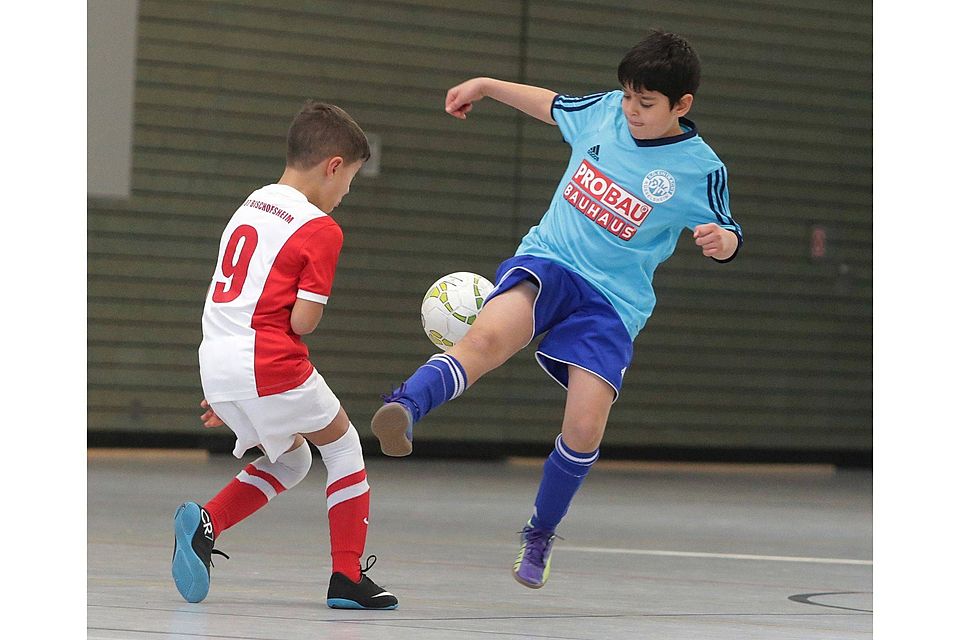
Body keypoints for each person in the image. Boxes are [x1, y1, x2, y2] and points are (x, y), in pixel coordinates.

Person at [371, 31, 743, 589]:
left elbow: (730, 230)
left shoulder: (699, 168)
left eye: (646, 104)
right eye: (627, 97)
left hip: (612, 304)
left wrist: (721, 242)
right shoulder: (601, 114)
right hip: (550, 261)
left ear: (681, 106)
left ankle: (540, 532)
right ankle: (404, 407)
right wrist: (486, 85)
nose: (631, 111)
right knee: (485, 341)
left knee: (586, 425)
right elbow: (549, 104)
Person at [172, 101, 398, 610]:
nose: (346, 193)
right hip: (268, 361)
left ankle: (207, 524)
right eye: (351, 180)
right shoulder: (320, 228)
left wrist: (231, 393)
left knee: (294, 457)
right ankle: (346, 577)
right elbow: (301, 322)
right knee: (343, 449)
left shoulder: (250, 205)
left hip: (218, 362)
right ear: (333, 165)